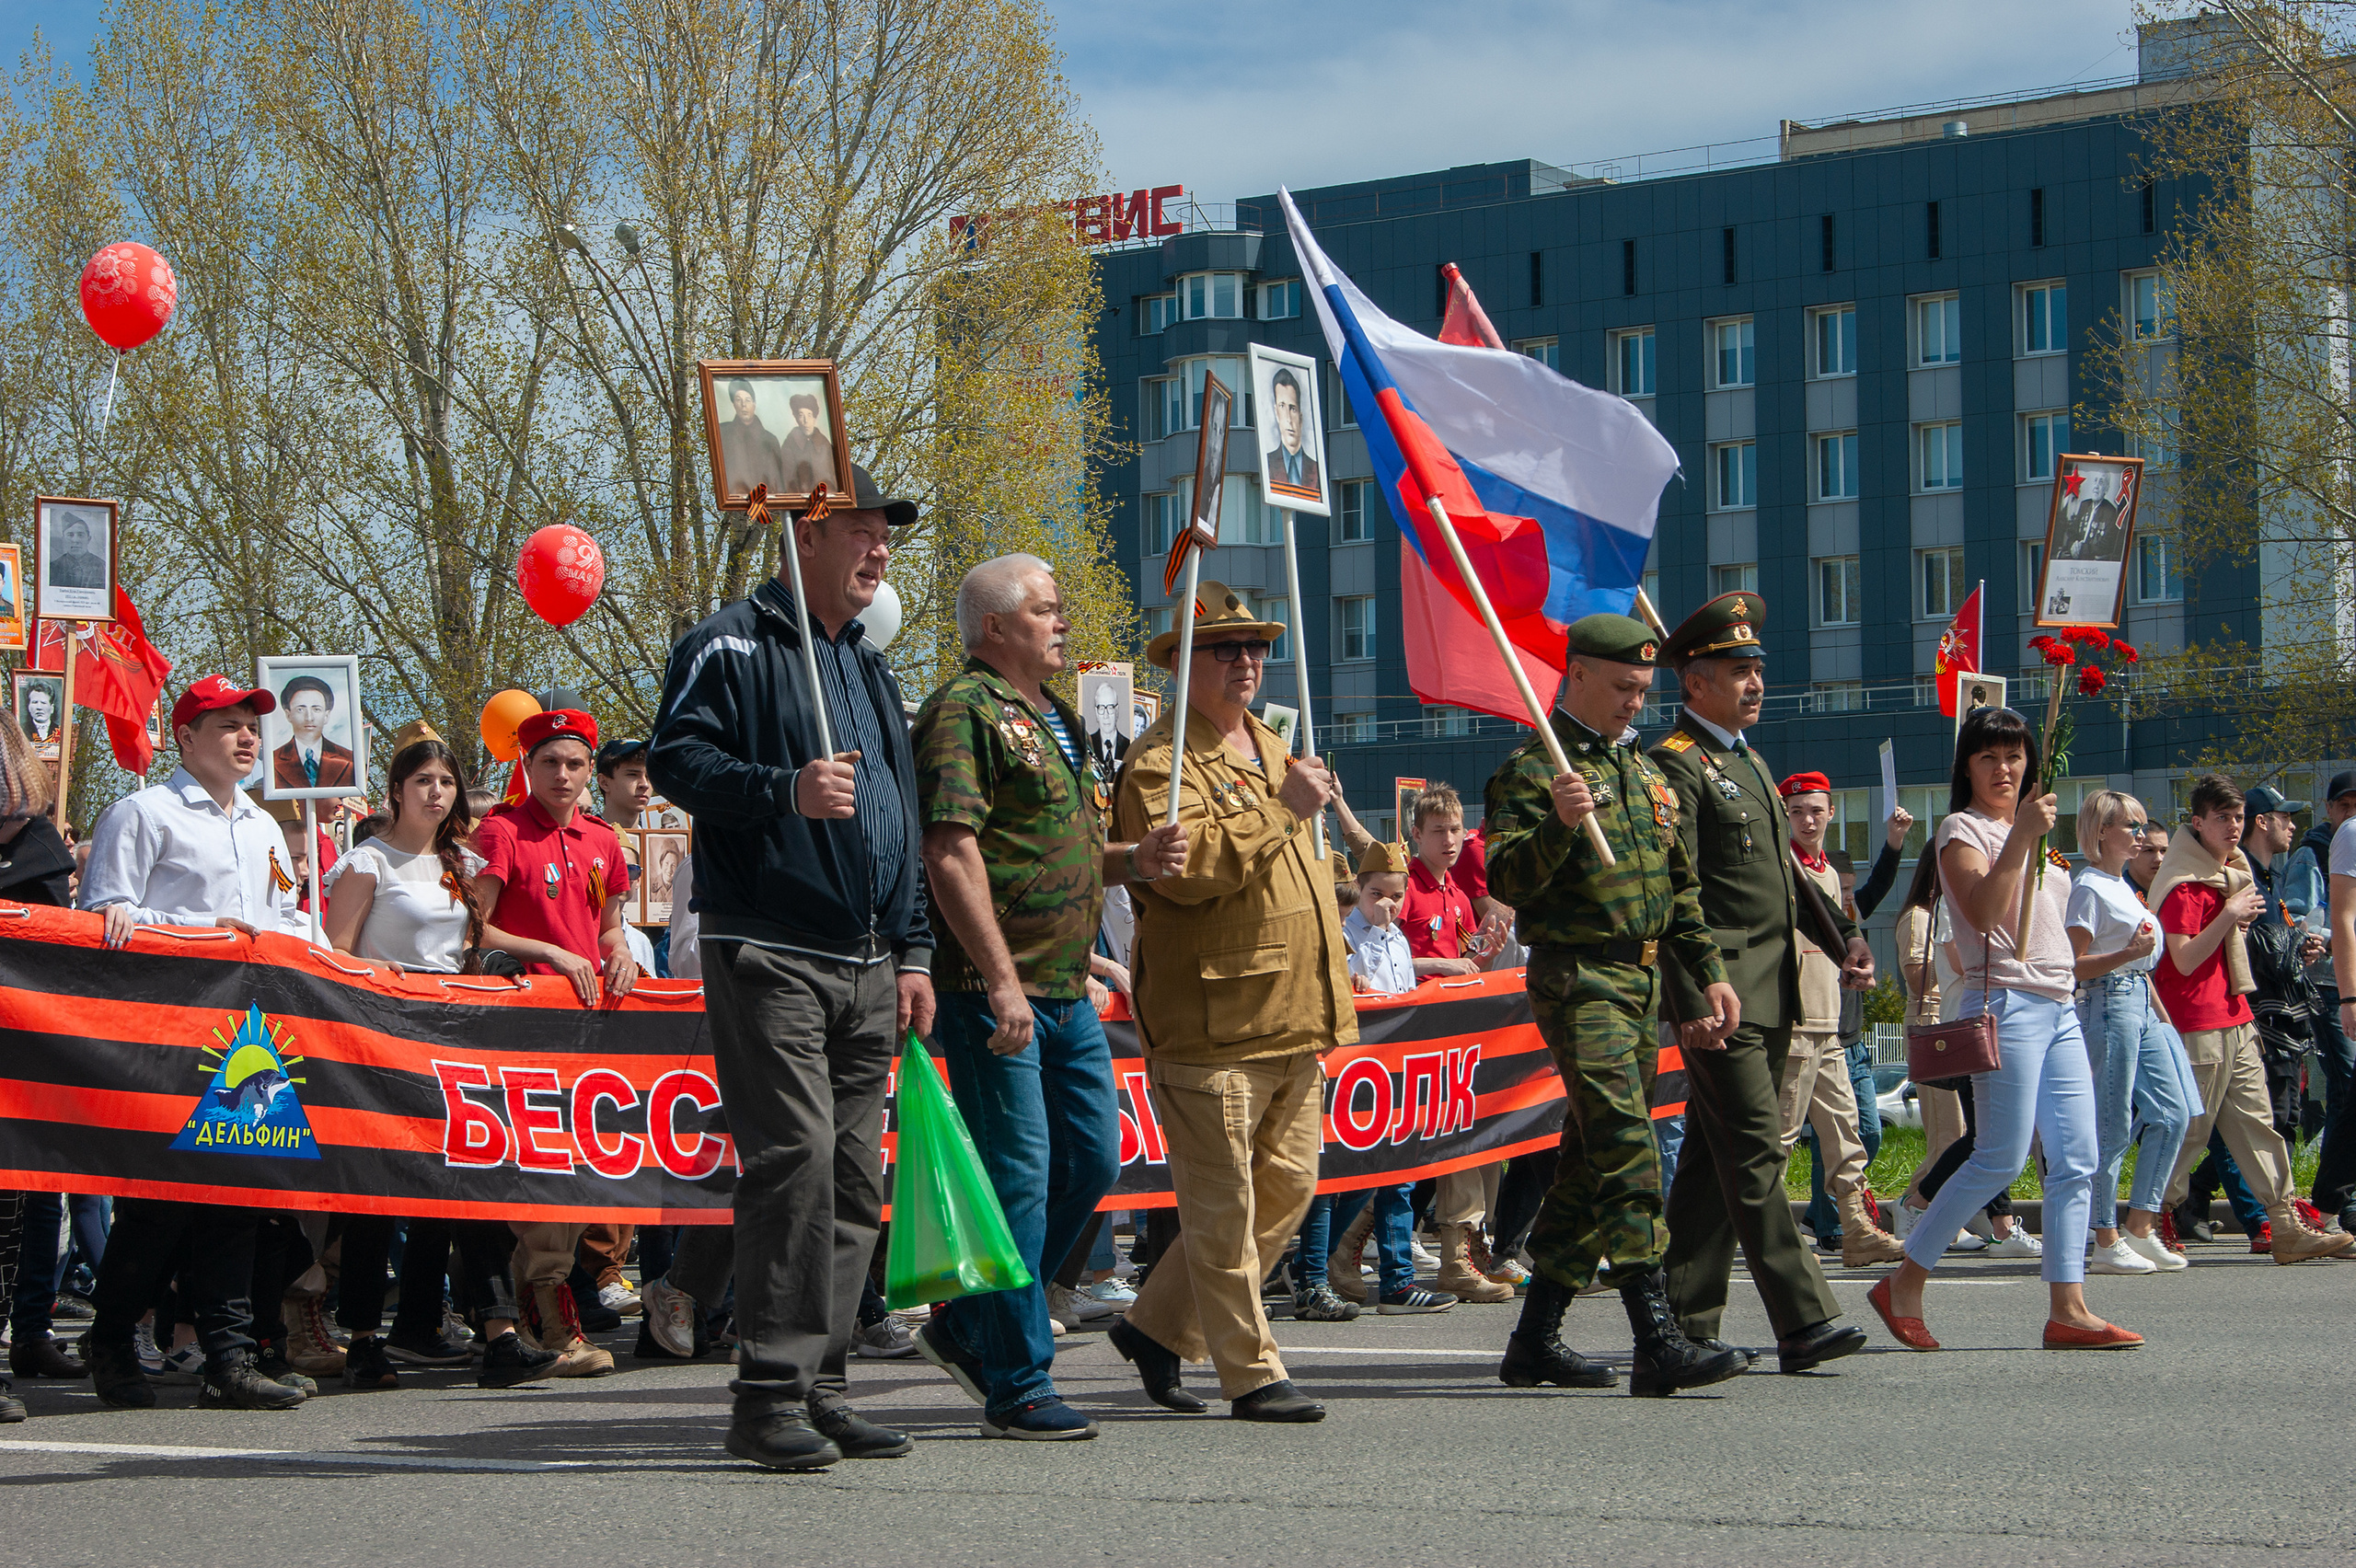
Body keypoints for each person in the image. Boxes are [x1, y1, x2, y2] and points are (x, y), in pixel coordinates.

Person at [647, 464, 932, 1470]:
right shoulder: (726, 642)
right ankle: (766, 1392)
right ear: (804, 534)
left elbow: (900, 809)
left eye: (886, 534)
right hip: (768, 945)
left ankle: (825, 1383)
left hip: (867, 958)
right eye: (862, 528)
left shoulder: (865, 665)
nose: (880, 548)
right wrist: (782, 789)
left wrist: (914, 946)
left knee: (858, 1179)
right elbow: (675, 759)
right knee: (796, 1163)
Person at [908, 552, 1187, 1441]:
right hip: (999, 990)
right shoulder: (962, 710)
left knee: (1092, 1163)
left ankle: (965, 1323)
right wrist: (997, 980)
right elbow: (952, 851)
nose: (1062, 621)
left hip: (1067, 987)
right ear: (995, 626)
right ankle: (1018, 1382)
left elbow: (1056, 848)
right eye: (1046, 609)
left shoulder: (1054, 716)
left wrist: (1130, 861)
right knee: (1019, 1181)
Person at [1481, 613, 1746, 1398]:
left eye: (1645, 689)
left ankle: (1534, 1341)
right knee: (1628, 1147)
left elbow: (1681, 892)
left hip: (1642, 983)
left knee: (1590, 1166)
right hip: (1579, 979)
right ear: (1580, 676)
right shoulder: (1536, 771)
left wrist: (1707, 976)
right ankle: (1657, 1338)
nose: (1637, 702)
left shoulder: (1645, 774)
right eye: (1625, 687)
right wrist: (1560, 827)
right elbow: (1506, 881)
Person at [1107, 581, 1350, 1424]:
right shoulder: (1158, 763)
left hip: (1295, 1011)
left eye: (1256, 648)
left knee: (1287, 1189)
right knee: (1224, 1210)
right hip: (1213, 1021)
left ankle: (1156, 1328)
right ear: (1180, 665)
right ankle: (1252, 1374)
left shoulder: (1276, 748)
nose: (1247, 662)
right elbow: (1188, 874)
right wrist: (1284, 809)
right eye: (1225, 649)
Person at [1865, 705, 2135, 1352]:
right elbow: (1984, 915)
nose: (2004, 768)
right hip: (2007, 1004)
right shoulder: (1962, 830)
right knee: (2000, 1157)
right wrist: (2020, 839)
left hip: (2059, 1002)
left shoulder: (2037, 832)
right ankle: (1904, 1280)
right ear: (1967, 766)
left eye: (2014, 756)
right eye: (1989, 756)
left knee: (2077, 1159)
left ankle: (2068, 1307)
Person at [1646, 592, 1866, 1378]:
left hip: (1773, 989)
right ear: (1694, 681)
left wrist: (1842, 942)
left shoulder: (1749, 761)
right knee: (1752, 1153)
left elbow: (1782, 879)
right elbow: (1678, 893)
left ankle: (1678, 1329)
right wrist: (1689, 992)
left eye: (1757, 669)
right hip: (1722, 994)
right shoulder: (1678, 763)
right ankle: (1803, 1321)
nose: (1755, 682)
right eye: (1737, 670)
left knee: (1711, 1161)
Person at [77, 674, 307, 1411]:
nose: (247, 738)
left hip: (248, 1035)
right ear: (185, 737)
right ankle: (112, 1337)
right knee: (160, 1204)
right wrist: (205, 936)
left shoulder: (265, 826)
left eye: (251, 725)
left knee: (239, 1197)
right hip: (172, 1032)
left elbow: (286, 923)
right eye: (228, 725)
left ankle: (229, 1356)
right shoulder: (144, 813)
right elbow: (107, 918)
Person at [321, 732, 564, 1389]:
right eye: (423, 780)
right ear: (397, 791)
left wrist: (552, 953)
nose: (436, 792)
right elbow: (335, 956)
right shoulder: (367, 863)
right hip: (383, 1039)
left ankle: (501, 1336)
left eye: (447, 783)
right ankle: (365, 1338)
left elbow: (476, 938)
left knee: (473, 1187)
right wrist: (389, 982)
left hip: (454, 1039)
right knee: (379, 1194)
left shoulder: (459, 861)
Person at [471, 708, 641, 1378]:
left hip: (587, 1028)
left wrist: (620, 952)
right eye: (549, 763)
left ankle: (550, 1300)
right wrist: (548, 951)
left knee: (579, 1172)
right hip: (520, 1028)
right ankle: (547, 1318)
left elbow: (608, 928)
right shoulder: (502, 831)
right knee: (540, 1173)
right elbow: (474, 928)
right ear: (527, 767)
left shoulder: (603, 839)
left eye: (574, 764)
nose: (563, 776)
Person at [2148, 774, 2351, 1263]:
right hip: (2196, 1021)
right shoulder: (2183, 883)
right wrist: (2228, 915)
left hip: (2235, 1016)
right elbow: (2184, 959)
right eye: (2222, 818)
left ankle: (2284, 1227)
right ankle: (2145, 1220)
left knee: (2260, 1127)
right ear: (2196, 822)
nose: (2234, 827)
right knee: (2190, 1130)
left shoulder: (2229, 872)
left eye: (2238, 817)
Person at [2067, 790, 2198, 1274]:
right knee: (2113, 1121)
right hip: (2107, 1002)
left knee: (2174, 1113)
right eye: (2131, 826)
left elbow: (2142, 961)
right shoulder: (2089, 888)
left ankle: (2139, 1227)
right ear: (2102, 831)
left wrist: (2161, 1018)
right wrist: (2125, 954)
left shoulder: (2122, 886)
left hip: (2140, 1002)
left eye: (2141, 825)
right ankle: (2104, 1236)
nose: (2141, 835)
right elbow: (2072, 965)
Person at [1776, 773, 1902, 1267]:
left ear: (1831, 813)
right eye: (1797, 812)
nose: (1808, 820)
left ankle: (1855, 1228)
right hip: (1795, 1020)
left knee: (1847, 1133)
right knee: (1781, 1137)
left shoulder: (1828, 871)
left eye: (1816, 810)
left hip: (1829, 1024)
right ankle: (1761, 1235)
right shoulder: (1782, 867)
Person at [0, 716, 77, 1420]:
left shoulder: (40, 851)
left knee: (23, 1209)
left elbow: (63, 954)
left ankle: (25, 1334)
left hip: (20, 1055)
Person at [2288, 773, 2356, 1199]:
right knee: (2348, 1084)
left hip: (2345, 981)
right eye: (2344, 805)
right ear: (2329, 808)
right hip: (2329, 986)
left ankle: (2334, 1197)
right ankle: (2336, 1200)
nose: (2351, 812)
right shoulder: (2312, 854)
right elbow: (2298, 917)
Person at [269, 674, 356, 790]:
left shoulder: (349, 759)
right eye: (300, 709)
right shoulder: (272, 761)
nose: (309, 718)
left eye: (316, 709)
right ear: (288, 714)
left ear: (326, 715)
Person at [717, 377, 788, 499]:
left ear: (754, 404)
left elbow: (778, 482)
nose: (744, 405)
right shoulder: (723, 432)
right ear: (733, 404)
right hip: (734, 506)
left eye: (747, 400)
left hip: (768, 507)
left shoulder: (770, 439)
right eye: (738, 400)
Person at [1262, 367, 1321, 498]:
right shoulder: (1267, 465)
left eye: (1292, 408)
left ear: (1300, 416)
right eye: (1282, 406)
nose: (1288, 418)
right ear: (1276, 412)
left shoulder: (1317, 470)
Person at [779, 392, 838, 495]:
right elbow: (787, 481)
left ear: (815, 417)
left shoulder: (825, 445)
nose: (806, 420)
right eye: (801, 415)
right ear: (796, 418)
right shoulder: (788, 446)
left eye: (809, 415)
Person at [47, 514, 107, 589]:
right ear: (63, 539)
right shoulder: (53, 569)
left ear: (89, 539)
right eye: (70, 535)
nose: (75, 540)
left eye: (80, 535)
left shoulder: (103, 567)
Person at [1087, 679, 1129, 774]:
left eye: (1110, 708)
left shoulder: (1129, 745)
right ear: (1096, 712)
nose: (1106, 715)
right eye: (1101, 708)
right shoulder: (1088, 744)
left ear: (1117, 711)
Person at [20, 681, 57, 745]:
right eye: (35, 702)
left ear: (52, 708)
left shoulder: (60, 731)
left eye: (43, 703)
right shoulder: (21, 730)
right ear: (29, 707)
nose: (39, 707)